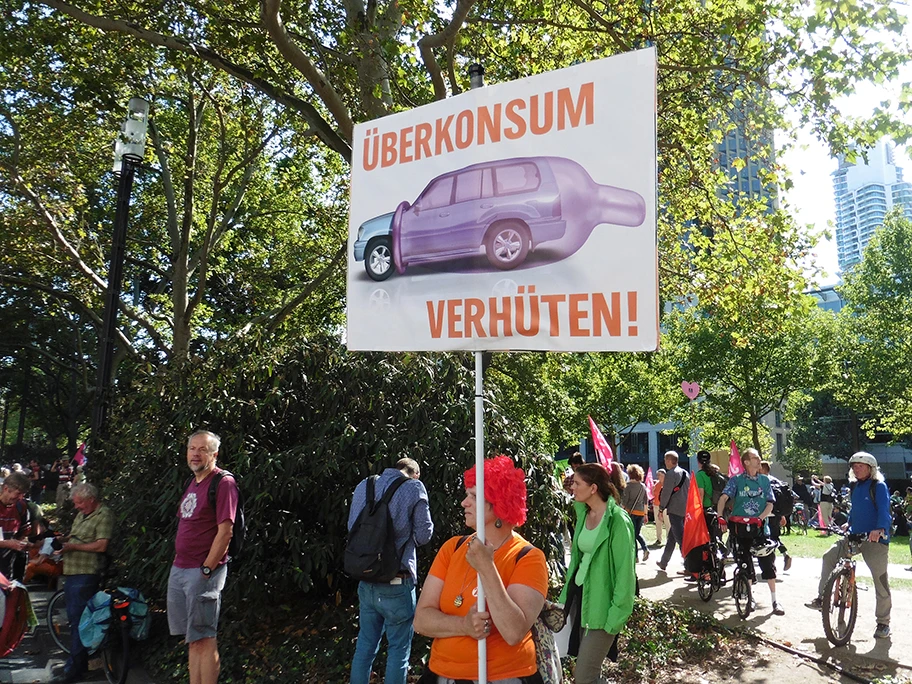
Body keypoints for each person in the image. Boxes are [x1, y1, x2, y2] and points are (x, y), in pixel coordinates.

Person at [414, 456, 548, 684]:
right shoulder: (452, 548)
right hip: (441, 674)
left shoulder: (527, 557)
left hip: (501, 676)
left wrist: (487, 567)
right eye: (467, 495)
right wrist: (463, 626)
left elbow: (513, 632)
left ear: (499, 504)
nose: (464, 503)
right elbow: (421, 620)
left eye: (473, 497)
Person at [349, 458, 434, 684]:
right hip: (398, 581)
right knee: (398, 650)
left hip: (366, 580)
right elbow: (425, 534)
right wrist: (405, 541)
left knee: (365, 645)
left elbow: (352, 528)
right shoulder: (414, 487)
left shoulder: (364, 485)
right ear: (415, 474)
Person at [167, 430, 239, 684]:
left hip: (202, 572)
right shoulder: (192, 482)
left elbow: (225, 531)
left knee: (205, 639)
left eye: (202, 449)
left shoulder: (223, 483)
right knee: (193, 640)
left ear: (214, 454)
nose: (195, 454)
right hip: (180, 568)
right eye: (192, 448)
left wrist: (207, 570)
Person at [561, 464, 636, 683]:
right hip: (580, 599)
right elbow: (578, 560)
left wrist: (616, 617)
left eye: (577, 483)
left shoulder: (617, 521)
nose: (572, 487)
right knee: (591, 674)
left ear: (593, 488)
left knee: (584, 677)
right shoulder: (584, 513)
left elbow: (625, 574)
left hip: (604, 608)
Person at [807, 452, 892, 639]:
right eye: (854, 465)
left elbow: (884, 510)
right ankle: (823, 598)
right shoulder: (855, 487)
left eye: (861, 465)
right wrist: (849, 523)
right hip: (854, 535)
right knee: (829, 556)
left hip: (875, 539)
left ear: (871, 468)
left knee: (880, 580)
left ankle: (883, 623)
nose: (856, 468)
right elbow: (857, 509)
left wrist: (879, 529)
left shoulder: (878, 486)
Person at [56, 483, 115, 683]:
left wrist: (72, 546)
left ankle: (74, 669)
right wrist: (61, 540)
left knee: (79, 621)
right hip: (73, 572)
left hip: (87, 573)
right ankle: (79, 664)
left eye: (79, 502)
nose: (77, 507)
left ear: (91, 499)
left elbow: (101, 545)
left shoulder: (103, 515)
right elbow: (76, 537)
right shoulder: (83, 514)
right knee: (75, 620)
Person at [717, 448, 785, 616]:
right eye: (755, 458)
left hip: (760, 529)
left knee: (767, 563)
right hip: (739, 529)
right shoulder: (736, 481)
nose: (759, 460)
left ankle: (775, 600)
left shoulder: (764, 480)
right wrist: (720, 516)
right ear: (746, 462)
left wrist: (760, 518)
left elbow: (770, 502)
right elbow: (723, 498)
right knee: (745, 563)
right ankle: (750, 598)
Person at [656, 451, 689, 572]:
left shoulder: (670, 474)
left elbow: (666, 492)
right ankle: (664, 561)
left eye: (665, 460)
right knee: (672, 537)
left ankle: (689, 565)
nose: (665, 462)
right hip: (685, 508)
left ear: (670, 461)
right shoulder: (685, 473)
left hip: (675, 509)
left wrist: (661, 508)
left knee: (680, 538)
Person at [759, 461, 793, 572]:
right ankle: (784, 555)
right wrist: (782, 515)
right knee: (774, 537)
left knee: (767, 539)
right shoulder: (776, 481)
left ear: (763, 469)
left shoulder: (762, 481)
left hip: (766, 514)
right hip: (776, 513)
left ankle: (771, 565)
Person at [0, 472, 31, 581]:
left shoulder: (20, 507)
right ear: (6, 488)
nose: (21, 497)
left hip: (8, 568)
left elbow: (24, 534)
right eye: (18, 493)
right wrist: (7, 544)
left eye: (23, 494)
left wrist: (23, 543)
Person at [620, 464, 649, 562]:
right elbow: (646, 502)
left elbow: (625, 502)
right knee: (636, 533)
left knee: (632, 535)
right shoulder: (643, 486)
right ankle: (645, 549)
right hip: (641, 513)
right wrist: (645, 514)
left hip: (630, 513)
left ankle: (636, 556)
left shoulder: (627, 486)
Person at [652, 468, 666, 547]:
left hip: (665, 506)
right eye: (658, 475)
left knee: (667, 523)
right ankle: (659, 539)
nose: (659, 477)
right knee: (658, 523)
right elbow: (653, 494)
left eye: (660, 475)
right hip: (656, 505)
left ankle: (669, 539)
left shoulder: (667, 484)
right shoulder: (656, 484)